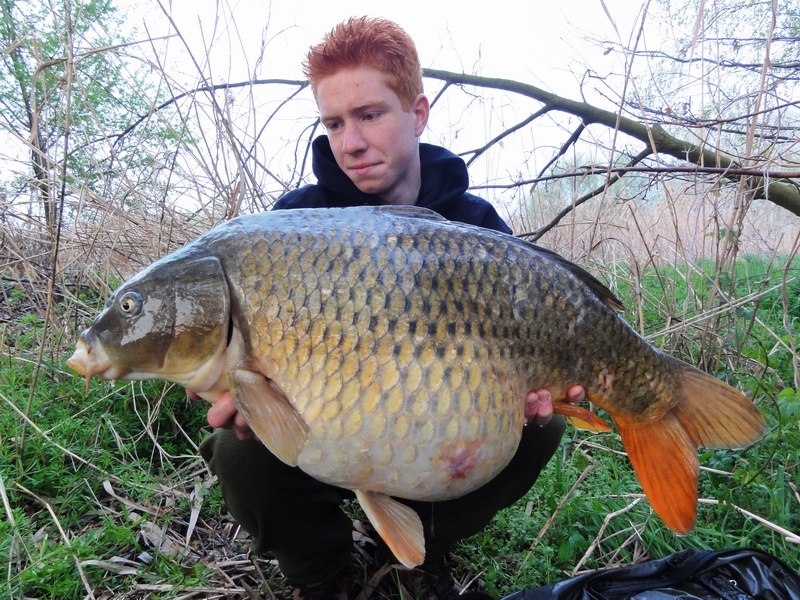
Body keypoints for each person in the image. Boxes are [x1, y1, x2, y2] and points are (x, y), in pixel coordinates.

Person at [195, 17, 585, 600]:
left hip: (432, 431)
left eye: (370, 115)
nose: (350, 142)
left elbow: (538, 339)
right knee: (236, 445)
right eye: (333, 122)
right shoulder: (291, 228)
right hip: (324, 428)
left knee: (544, 425)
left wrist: (534, 392)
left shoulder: (476, 227)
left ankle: (417, 549)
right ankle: (322, 573)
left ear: (418, 113)